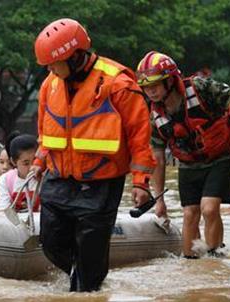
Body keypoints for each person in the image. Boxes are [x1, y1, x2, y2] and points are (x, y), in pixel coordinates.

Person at [32, 18, 156, 292]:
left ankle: (87, 285)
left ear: (74, 57)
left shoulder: (118, 83)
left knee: (89, 268)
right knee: (50, 242)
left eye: (53, 63)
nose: (49, 69)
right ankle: (81, 272)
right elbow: (45, 132)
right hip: (59, 178)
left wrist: (140, 182)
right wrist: (39, 162)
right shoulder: (49, 85)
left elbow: (139, 136)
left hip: (101, 181)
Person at [136, 51, 230, 258]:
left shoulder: (201, 87)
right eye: (146, 87)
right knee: (189, 214)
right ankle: (192, 265)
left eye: (155, 84)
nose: (151, 91)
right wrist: (159, 201)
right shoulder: (155, 116)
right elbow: (157, 157)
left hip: (220, 156)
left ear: (171, 81)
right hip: (188, 163)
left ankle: (213, 259)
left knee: (209, 209)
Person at [0, 134, 40, 212]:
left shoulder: (44, 178)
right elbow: (3, 210)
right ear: (13, 162)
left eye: (35, 160)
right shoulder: (6, 180)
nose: (32, 166)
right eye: (26, 163)